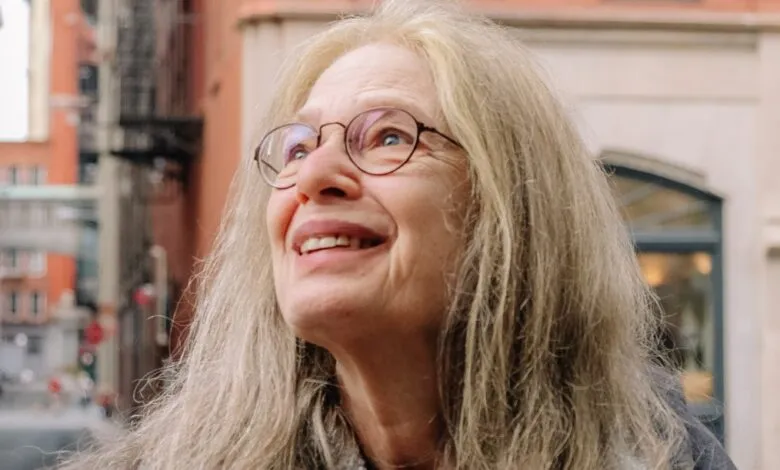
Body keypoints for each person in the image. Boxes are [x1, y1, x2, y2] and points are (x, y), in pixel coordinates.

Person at [61, 0, 736, 468]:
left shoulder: (663, 455)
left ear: (507, 205)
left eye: (388, 136)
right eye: (298, 147)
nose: (314, 175)